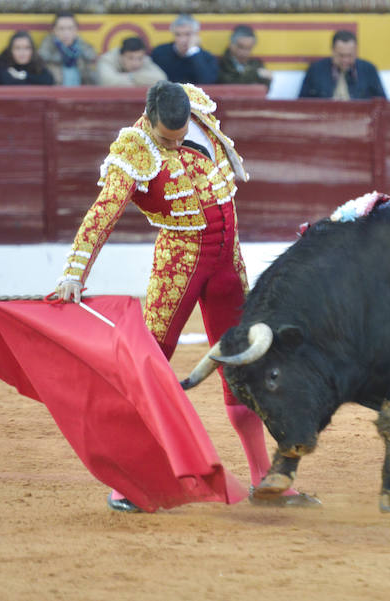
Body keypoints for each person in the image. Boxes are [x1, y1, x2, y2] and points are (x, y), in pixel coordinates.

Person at [55, 81, 319, 512]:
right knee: (150, 365)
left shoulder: (196, 110)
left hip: (227, 262)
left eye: (179, 138)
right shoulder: (133, 148)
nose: (175, 145)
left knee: (245, 361)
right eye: (166, 139)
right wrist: (74, 273)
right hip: (180, 262)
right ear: (149, 117)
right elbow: (103, 213)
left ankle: (266, 482)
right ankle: (128, 485)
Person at [298, 30, 386, 100]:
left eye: (349, 55)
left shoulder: (368, 70)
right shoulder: (315, 70)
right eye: (341, 55)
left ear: (356, 52)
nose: (345, 60)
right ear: (332, 51)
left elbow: (382, 103)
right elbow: (302, 104)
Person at [150, 14, 218, 85]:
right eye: (178, 35)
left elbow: (207, 82)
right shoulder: (160, 53)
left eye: (188, 34)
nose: (182, 40)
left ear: (196, 35)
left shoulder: (207, 57)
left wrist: (192, 51)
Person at [38, 11, 97, 86]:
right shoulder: (46, 54)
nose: (66, 33)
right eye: (61, 29)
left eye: (70, 28)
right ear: (54, 30)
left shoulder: (86, 53)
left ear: (76, 30)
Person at [96, 36, 166, 87]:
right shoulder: (106, 60)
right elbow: (109, 82)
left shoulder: (145, 59)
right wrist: (142, 81)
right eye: (130, 58)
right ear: (121, 56)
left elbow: (162, 79)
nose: (136, 63)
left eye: (139, 58)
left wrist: (132, 76)